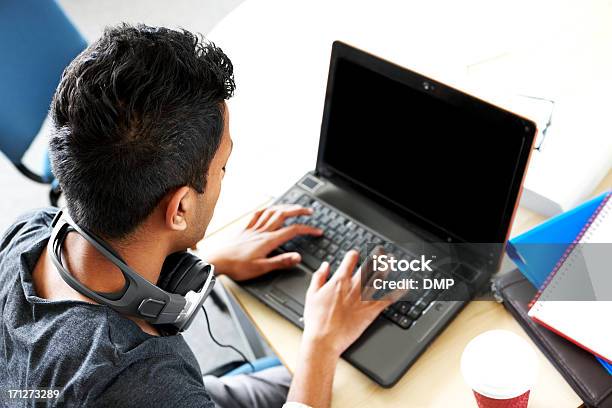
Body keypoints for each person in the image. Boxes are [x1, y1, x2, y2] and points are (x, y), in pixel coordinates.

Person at [0, 24, 392, 408]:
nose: (223, 177)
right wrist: (321, 342)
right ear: (181, 208)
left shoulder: (26, 232)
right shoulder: (139, 381)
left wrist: (212, 261)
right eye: (222, 167)